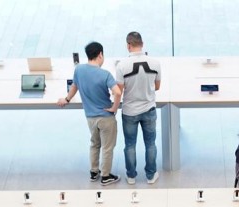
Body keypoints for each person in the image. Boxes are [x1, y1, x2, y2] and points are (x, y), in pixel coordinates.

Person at [57, 42, 122, 186]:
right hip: (105, 118)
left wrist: (66, 99)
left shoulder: (79, 70)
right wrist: (114, 108)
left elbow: (74, 86)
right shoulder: (105, 74)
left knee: (94, 144)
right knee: (107, 147)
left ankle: (94, 172)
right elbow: (117, 92)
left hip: (90, 118)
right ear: (100, 54)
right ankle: (105, 176)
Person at [115, 31, 161, 185]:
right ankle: (150, 175)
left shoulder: (122, 66)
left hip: (129, 111)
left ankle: (131, 176)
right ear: (142, 44)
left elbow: (119, 91)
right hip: (149, 109)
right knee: (150, 144)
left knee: (130, 145)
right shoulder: (155, 63)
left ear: (129, 45)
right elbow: (157, 86)